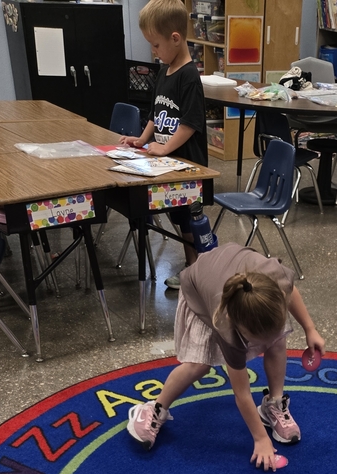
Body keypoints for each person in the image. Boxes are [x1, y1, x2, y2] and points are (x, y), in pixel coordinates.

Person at [126, 242, 325, 471]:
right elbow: (241, 393)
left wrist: (310, 328)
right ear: (239, 327)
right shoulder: (226, 325)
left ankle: (274, 403)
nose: (260, 346)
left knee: (277, 342)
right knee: (198, 365)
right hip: (199, 290)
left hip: (235, 273)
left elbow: (291, 292)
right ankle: (154, 409)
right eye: (255, 339)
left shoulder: (275, 280)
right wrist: (260, 439)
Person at [120, 0, 208, 289]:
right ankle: (192, 267)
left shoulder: (189, 76)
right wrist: (143, 139)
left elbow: (190, 123)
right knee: (177, 217)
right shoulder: (164, 71)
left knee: (187, 219)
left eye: (155, 45)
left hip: (186, 165)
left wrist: (165, 147)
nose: (153, 52)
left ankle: (196, 271)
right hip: (166, 162)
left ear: (175, 38)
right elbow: (156, 114)